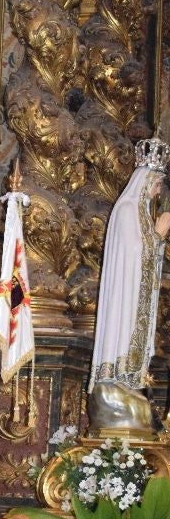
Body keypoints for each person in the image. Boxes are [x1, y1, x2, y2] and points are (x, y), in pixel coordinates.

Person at [89, 148, 170, 398]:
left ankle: (131, 379)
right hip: (126, 293)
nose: (158, 190)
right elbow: (133, 253)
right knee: (123, 328)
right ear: (145, 181)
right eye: (157, 184)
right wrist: (158, 235)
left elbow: (147, 254)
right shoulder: (126, 209)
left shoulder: (143, 214)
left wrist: (158, 237)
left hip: (137, 293)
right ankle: (117, 377)